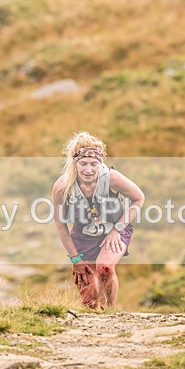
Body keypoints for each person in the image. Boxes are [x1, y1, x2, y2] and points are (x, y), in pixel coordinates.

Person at [52, 131, 145, 309]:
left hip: (114, 230)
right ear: (74, 164)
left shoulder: (112, 178)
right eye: (83, 163)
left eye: (94, 164)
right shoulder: (62, 187)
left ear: (100, 163)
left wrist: (117, 230)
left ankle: (110, 312)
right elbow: (60, 223)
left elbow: (138, 199)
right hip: (82, 236)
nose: (89, 169)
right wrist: (75, 259)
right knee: (90, 300)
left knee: (105, 268)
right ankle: (95, 319)